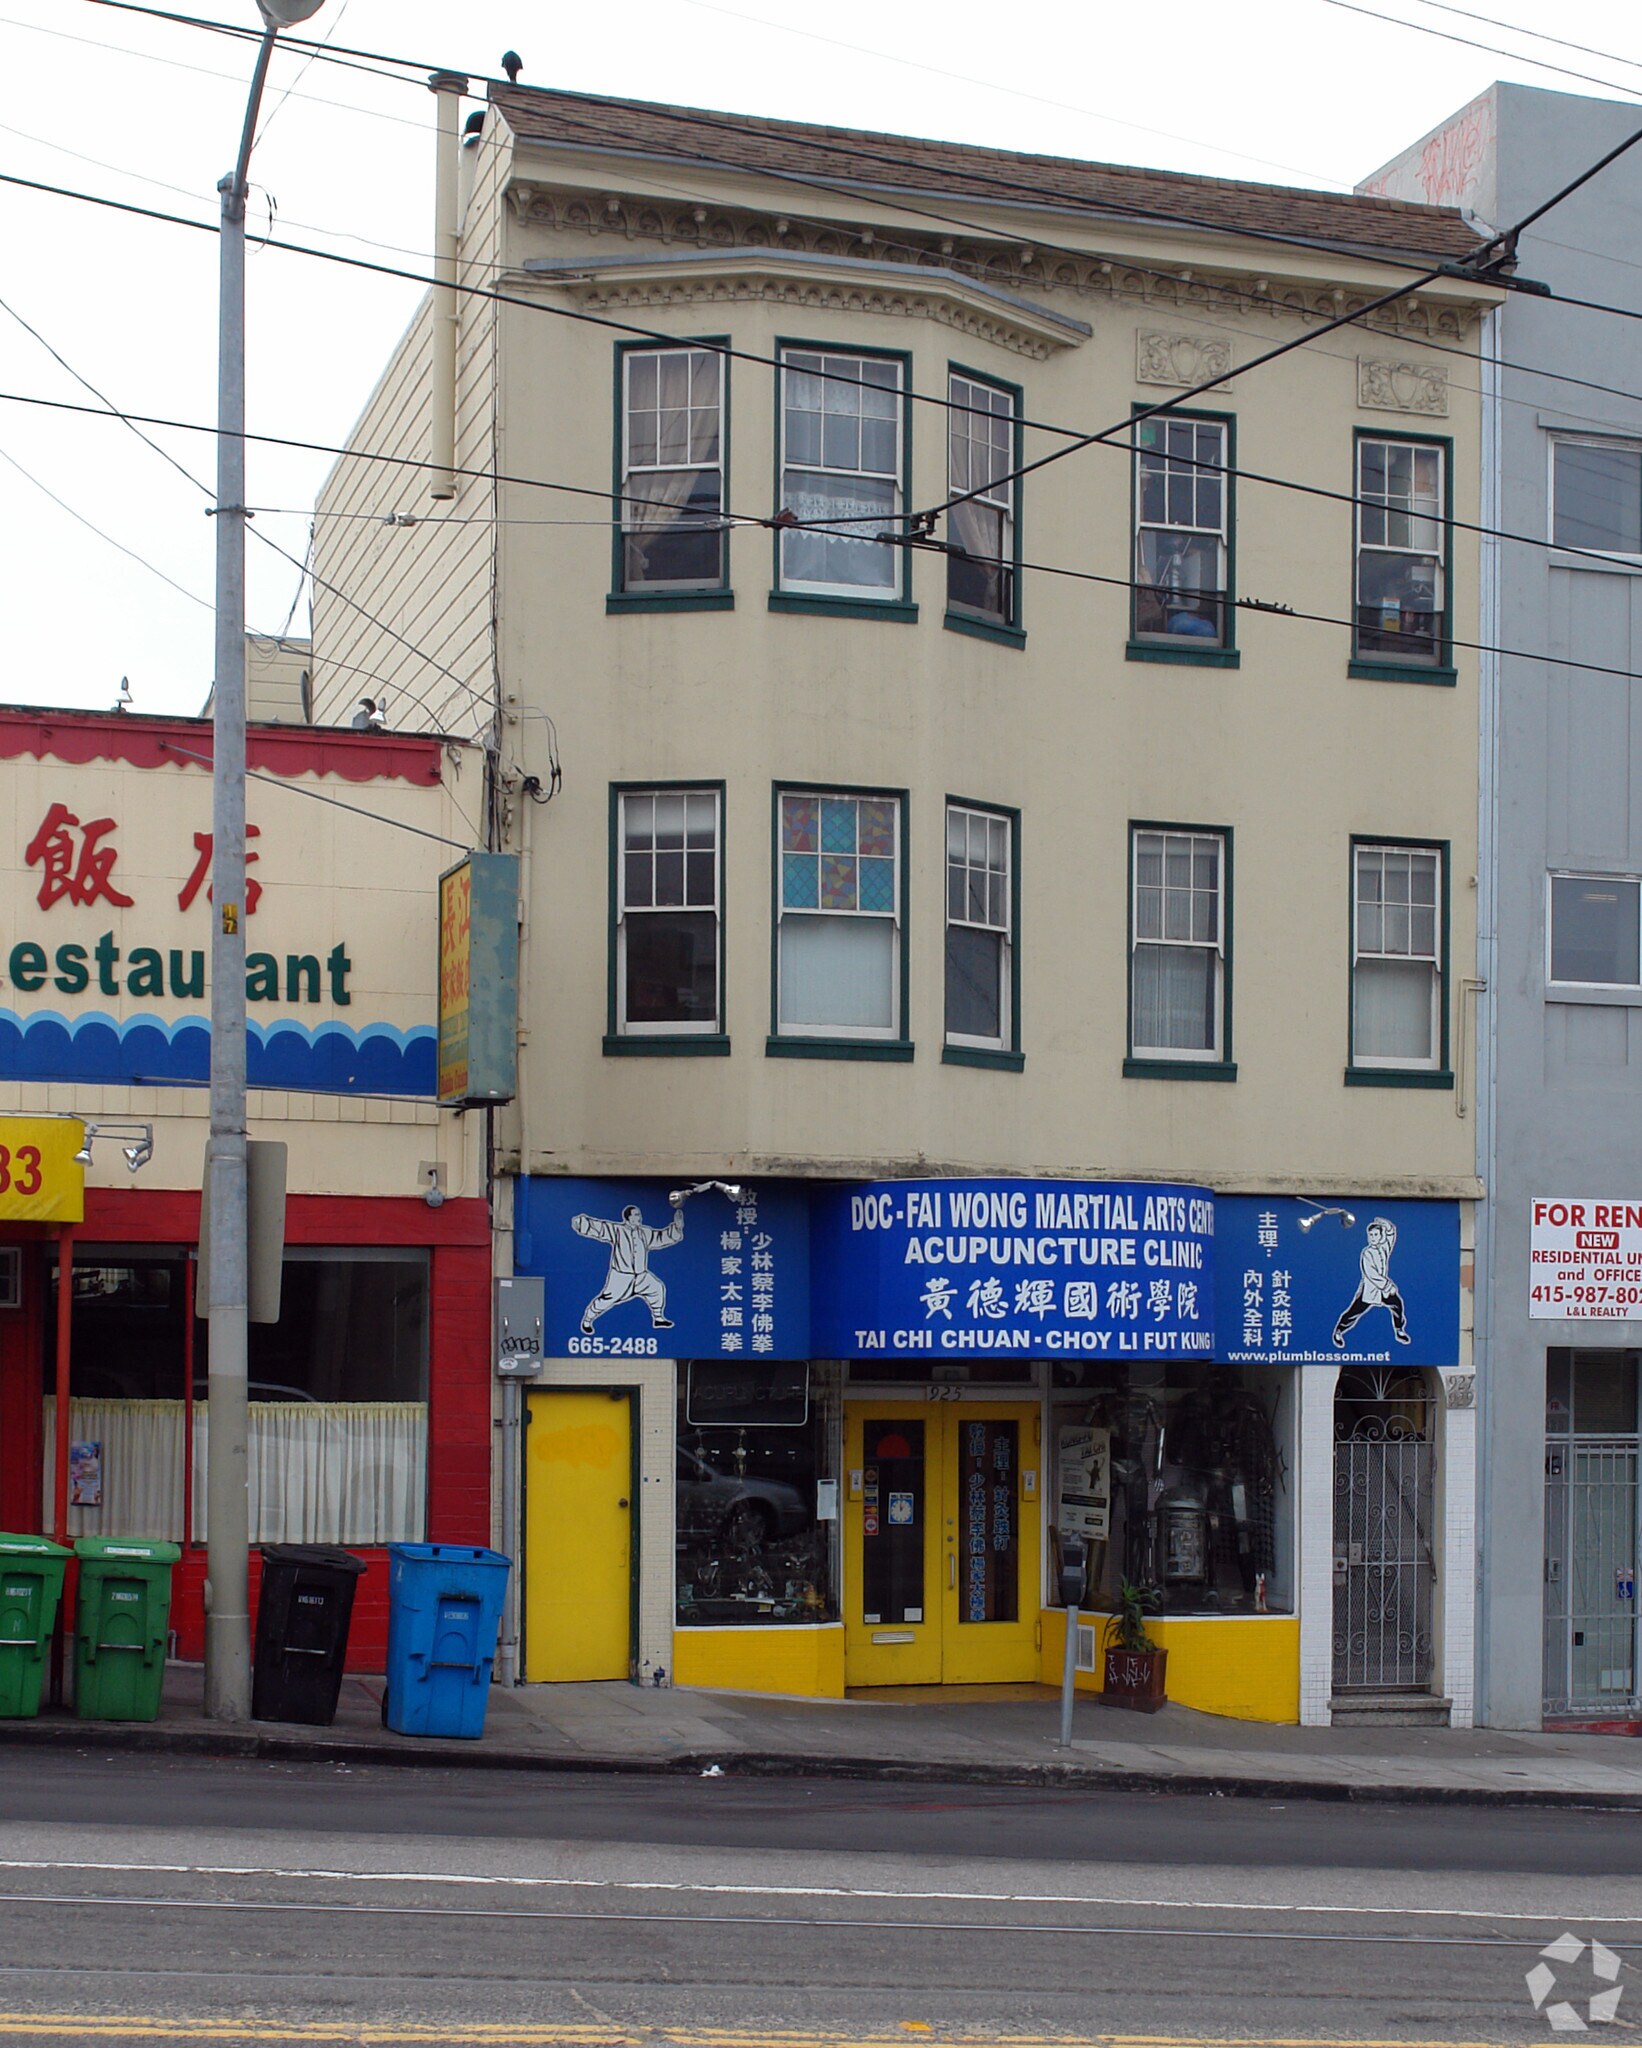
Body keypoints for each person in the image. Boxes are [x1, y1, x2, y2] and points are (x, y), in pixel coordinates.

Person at [572, 1196, 685, 1333]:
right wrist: (582, 1223)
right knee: (606, 1300)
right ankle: (587, 1319)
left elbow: (660, 1237)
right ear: (628, 1218)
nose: (639, 1217)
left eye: (639, 1215)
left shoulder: (644, 1232)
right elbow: (600, 1229)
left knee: (656, 1288)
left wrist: (676, 1228)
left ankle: (658, 1318)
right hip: (621, 1276)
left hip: (641, 1275)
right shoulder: (618, 1230)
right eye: (636, 1215)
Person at [1332, 1217, 1411, 1346]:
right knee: (1354, 1311)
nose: (1373, 1237)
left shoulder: (1383, 1248)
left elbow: (1391, 1235)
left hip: (1383, 1291)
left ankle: (1399, 1330)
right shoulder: (1367, 1253)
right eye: (1371, 1235)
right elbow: (1371, 1274)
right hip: (1370, 1290)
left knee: (1397, 1304)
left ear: (1381, 1236)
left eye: (1376, 1235)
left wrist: (1385, 1224)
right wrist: (1388, 1286)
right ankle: (1339, 1331)